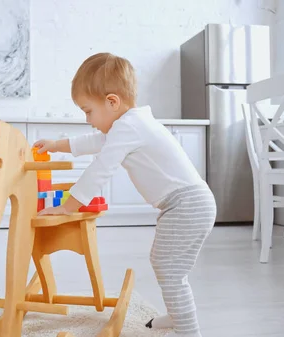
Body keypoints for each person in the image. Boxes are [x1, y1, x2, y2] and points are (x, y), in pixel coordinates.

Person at [33, 52, 217, 337]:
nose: (87, 119)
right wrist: (57, 144)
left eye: (88, 111)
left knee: (170, 269)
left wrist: (69, 206)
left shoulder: (130, 127)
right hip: (187, 203)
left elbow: (102, 167)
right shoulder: (130, 124)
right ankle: (177, 312)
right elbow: (96, 141)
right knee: (165, 263)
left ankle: (188, 329)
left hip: (187, 204)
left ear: (112, 102)